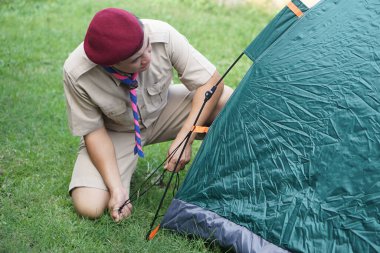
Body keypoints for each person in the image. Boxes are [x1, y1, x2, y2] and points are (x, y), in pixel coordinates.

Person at [63, 7, 233, 222]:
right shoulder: (77, 73)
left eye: (147, 47)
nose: (147, 58)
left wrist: (185, 139)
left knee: (228, 102)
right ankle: (120, 178)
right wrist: (116, 189)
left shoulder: (161, 34)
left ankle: (233, 180)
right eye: (136, 59)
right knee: (90, 206)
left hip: (164, 111)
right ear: (110, 64)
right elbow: (94, 131)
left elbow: (211, 82)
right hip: (117, 131)